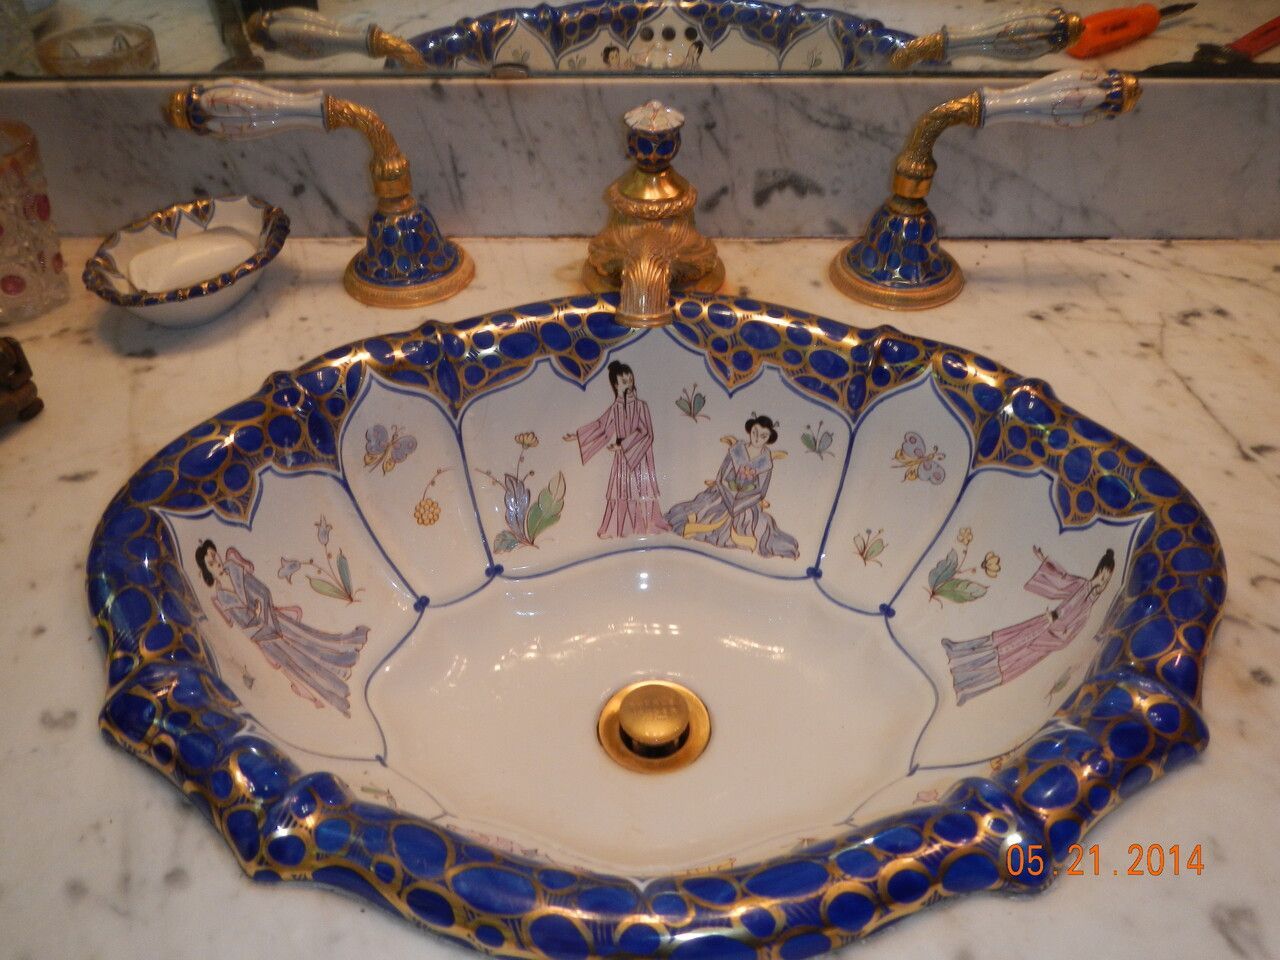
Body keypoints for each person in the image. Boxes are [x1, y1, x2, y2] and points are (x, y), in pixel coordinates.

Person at [194, 540, 368, 716]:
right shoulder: (221, 597)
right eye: (211, 563)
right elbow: (242, 624)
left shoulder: (234, 568)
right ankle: (334, 694)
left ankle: (341, 660)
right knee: (296, 666)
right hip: (265, 639)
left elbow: (262, 591)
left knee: (307, 640)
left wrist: (263, 613)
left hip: (274, 619)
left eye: (215, 556)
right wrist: (259, 625)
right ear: (206, 570)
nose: (216, 562)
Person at [942, 547, 1115, 706]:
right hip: (1041, 625)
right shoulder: (1081, 585)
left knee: (1011, 664)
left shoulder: (1089, 606)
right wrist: (1045, 559)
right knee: (1002, 640)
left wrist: (1056, 631)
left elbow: (1071, 632)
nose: (1103, 582)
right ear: (1099, 571)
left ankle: (968, 688)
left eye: (1106, 580)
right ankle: (958, 650)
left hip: (1047, 640)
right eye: (1103, 577)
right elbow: (1062, 579)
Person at [665, 415, 799, 559]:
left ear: (768, 438)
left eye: (763, 436)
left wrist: (742, 499)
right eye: (755, 432)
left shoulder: (766, 461)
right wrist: (730, 493)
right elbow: (723, 475)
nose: (757, 438)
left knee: (755, 524)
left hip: (747, 501)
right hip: (724, 493)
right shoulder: (737, 450)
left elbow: (761, 490)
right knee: (706, 509)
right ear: (750, 430)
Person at [564, 360, 669, 538]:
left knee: (641, 491)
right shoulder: (615, 408)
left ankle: (647, 526)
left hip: (638, 456)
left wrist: (623, 445)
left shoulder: (641, 406)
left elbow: (647, 433)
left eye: (630, 380)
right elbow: (602, 427)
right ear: (616, 385)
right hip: (622, 459)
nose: (629, 384)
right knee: (621, 492)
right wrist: (579, 436)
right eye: (624, 381)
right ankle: (618, 529)